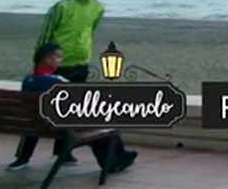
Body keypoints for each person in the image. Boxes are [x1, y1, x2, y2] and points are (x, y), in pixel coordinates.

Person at [14, 0, 104, 166]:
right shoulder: (62, 6)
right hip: (56, 66)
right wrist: (38, 63)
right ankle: (23, 156)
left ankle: (63, 151)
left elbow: (91, 30)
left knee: (68, 112)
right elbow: (45, 35)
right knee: (38, 110)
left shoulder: (98, 8)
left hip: (80, 65)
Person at [8, 43, 138, 174]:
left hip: (40, 125)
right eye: (58, 57)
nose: (60, 60)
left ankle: (118, 157)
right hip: (63, 128)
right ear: (47, 59)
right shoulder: (56, 81)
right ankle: (114, 159)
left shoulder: (28, 81)